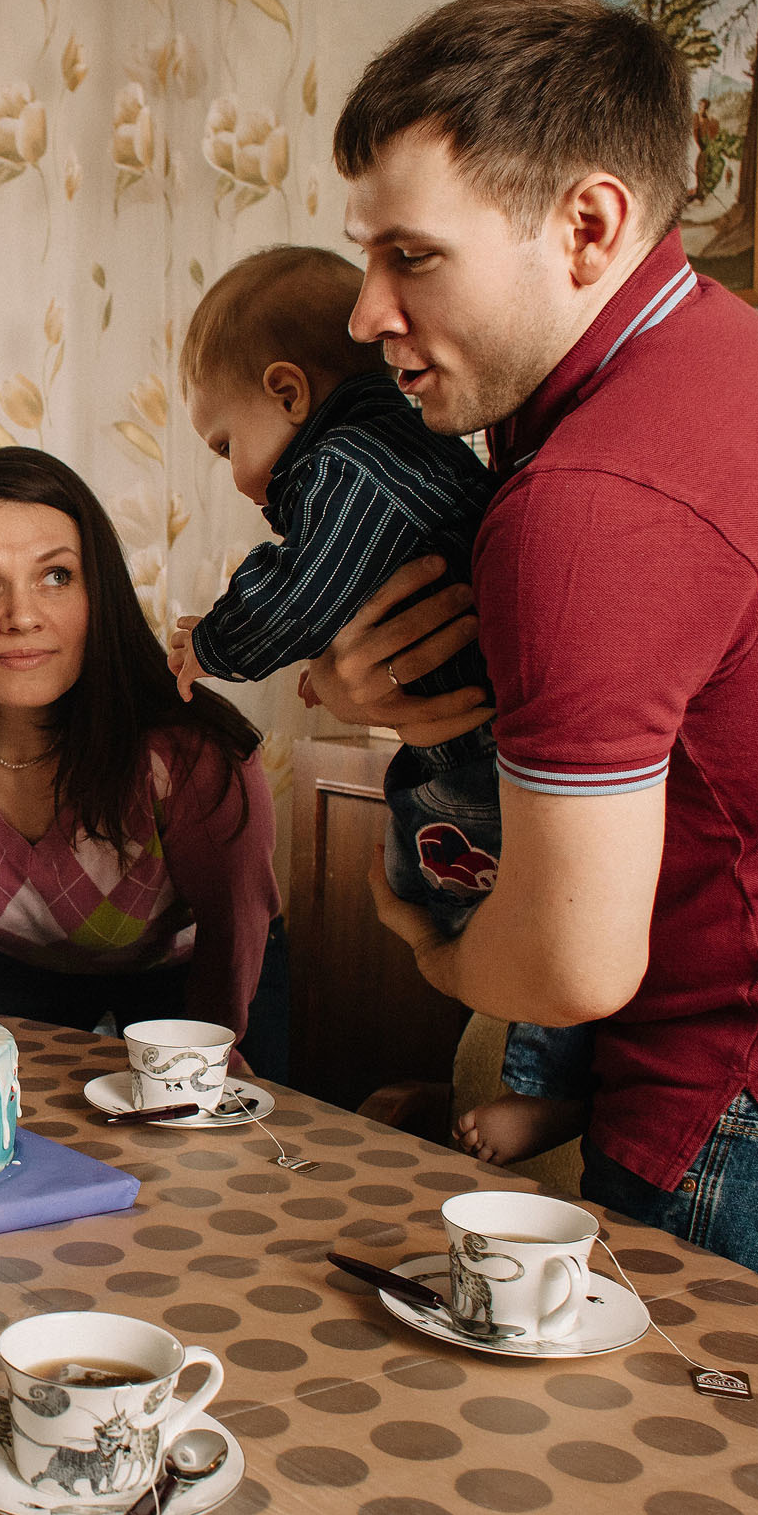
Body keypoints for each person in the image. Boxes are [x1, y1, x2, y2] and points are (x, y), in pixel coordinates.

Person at [318, 0, 758, 1327]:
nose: (364, 313)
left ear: (587, 225)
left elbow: (569, 966)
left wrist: (435, 947)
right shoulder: (727, 367)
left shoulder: (594, 497)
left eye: (414, 256)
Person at [164, 245, 588, 1143]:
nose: (238, 479)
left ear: (287, 393)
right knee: (454, 882)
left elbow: (298, 591)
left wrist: (208, 642)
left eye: (226, 445)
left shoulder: (344, 469)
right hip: (466, 744)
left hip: (488, 751)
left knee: (521, 915)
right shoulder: (403, 450)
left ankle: (547, 1083)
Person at [0, 448, 276, 1039]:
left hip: (197, 977)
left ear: (99, 587)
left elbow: (235, 931)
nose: (22, 616)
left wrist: (213, 1072)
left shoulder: (193, 751)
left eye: (56, 575)